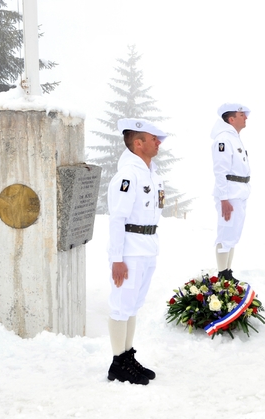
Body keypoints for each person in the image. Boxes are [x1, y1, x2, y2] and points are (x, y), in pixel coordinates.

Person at [105, 118, 168, 385]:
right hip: (130, 249)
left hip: (147, 246)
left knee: (133, 306)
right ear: (138, 143)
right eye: (153, 138)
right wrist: (117, 259)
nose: (159, 142)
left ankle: (127, 355)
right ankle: (117, 363)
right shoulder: (127, 175)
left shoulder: (151, 174)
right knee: (121, 305)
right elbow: (117, 219)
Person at [210, 103, 251, 281]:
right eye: (242, 114)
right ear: (231, 118)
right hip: (229, 192)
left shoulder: (234, 138)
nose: (246, 117)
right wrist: (224, 198)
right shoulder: (223, 139)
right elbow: (220, 170)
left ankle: (227, 272)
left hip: (239, 192)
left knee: (233, 234)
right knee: (226, 233)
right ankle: (222, 275)